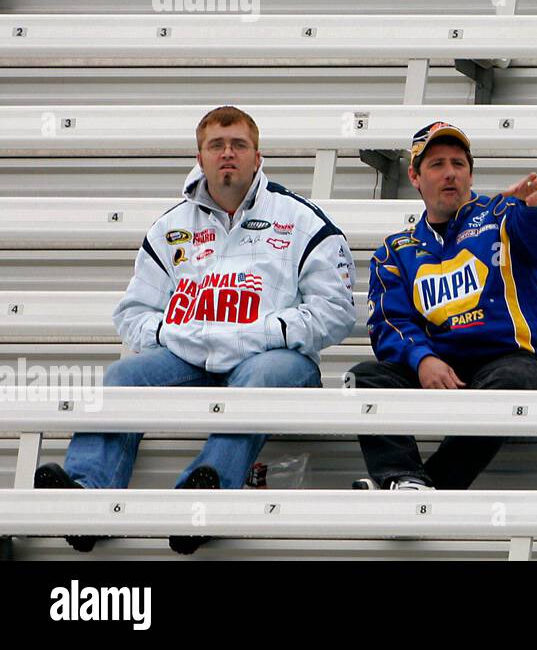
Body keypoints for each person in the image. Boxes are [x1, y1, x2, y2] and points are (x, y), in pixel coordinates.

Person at [34, 105, 357, 554]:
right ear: (200, 157)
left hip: (273, 360)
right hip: (189, 357)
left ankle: (202, 499)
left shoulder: (303, 220)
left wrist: (264, 333)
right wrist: (174, 335)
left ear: (258, 157)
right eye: (217, 146)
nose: (228, 154)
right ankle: (87, 499)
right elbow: (132, 314)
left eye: (239, 145)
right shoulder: (170, 228)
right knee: (123, 377)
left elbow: (337, 311)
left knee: (258, 379)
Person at [350, 120, 537, 490]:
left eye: (458, 164)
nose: (450, 174)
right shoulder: (395, 251)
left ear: (470, 173)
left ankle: (424, 487)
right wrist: (423, 360)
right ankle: (401, 476)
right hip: (443, 371)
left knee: (511, 382)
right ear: (415, 177)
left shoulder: (503, 215)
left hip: (515, 363)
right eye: (436, 165)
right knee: (363, 377)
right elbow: (389, 322)